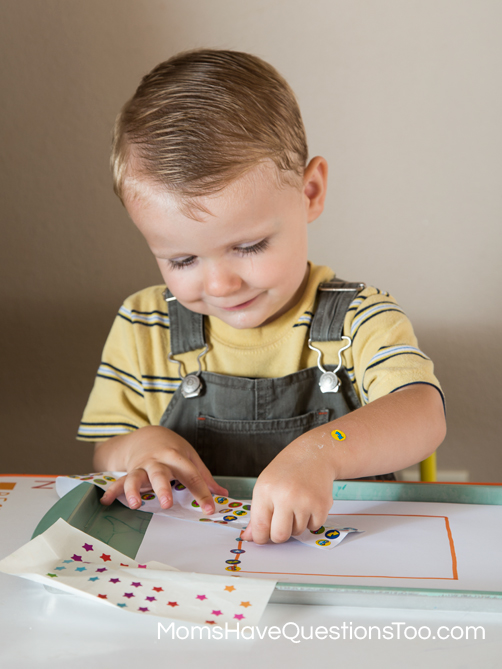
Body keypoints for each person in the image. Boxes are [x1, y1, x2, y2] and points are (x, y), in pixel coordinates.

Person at [77, 49, 446, 545]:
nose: (220, 284)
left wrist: (324, 451)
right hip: (194, 570)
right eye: (182, 261)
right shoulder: (144, 324)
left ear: (310, 191)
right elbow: (106, 451)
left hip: (346, 559)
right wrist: (142, 447)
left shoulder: (358, 318)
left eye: (248, 247)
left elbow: (422, 414)